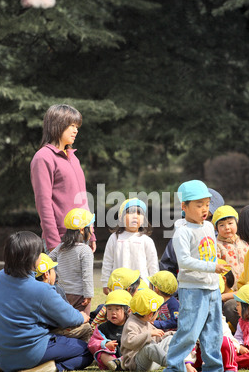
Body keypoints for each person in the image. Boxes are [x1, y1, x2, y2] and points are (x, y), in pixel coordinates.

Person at [160, 180, 238, 372]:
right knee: (188, 330)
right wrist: (212, 267)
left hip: (212, 288)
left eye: (206, 204)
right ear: (184, 207)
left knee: (213, 332)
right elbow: (184, 261)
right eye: (198, 205)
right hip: (192, 289)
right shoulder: (182, 231)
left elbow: (210, 255)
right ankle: (171, 371)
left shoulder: (209, 227)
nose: (204, 209)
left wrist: (216, 272)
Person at [0, 231, 93, 372]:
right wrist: (82, 316)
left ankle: (11, 363)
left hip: (3, 355)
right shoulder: (41, 289)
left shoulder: (0, 277)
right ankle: (47, 368)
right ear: (32, 258)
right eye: (39, 253)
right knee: (87, 351)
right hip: (31, 352)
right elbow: (70, 318)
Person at [30, 103, 96, 253]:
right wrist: (53, 241)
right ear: (57, 125)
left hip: (82, 236)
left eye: (77, 126)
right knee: (61, 278)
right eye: (72, 125)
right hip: (61, 239)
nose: (76, 130)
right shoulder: (43, 157)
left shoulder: (73, 157)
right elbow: (43, 203)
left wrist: (90, 234)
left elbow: (83, 199)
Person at [159, 188, 225, 281]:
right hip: (189, 286)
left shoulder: (218, 235)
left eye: (210, 217)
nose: (204, 215)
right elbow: (167, 266)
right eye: (199, 207)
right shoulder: (183, 233)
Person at [101, 198, 159, 294]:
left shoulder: (146, 240)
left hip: (141, 287)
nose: (135, 216)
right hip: (119, 286)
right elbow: (107, 261)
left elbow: (153, 266)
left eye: (139, 213)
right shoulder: (115, 238)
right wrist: (105, 283)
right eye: (130, 213)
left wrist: (154, 285)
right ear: (121, 217)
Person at [35, 252, 92, 342]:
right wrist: (81, 317)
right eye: (53, 269)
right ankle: (83, 353)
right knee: (87, 327)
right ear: (46, 274)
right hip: (52, 332)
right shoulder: (53, 291)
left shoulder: (30, 289)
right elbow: (66, 317)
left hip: (38, 331)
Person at [49, 208, 95, 317]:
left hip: (61, 293)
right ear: (83, 230)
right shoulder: (85, 250)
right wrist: (88, 295)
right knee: (81, 323)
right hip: (80, 296)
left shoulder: (61, 247)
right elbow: (87, 275)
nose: (92, 231)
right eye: (91, 227)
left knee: (65, 322)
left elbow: (48, 260)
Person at [121, 288, 175, 372]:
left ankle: (170, 360)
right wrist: (149, 334)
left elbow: (159, 337)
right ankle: (172, 363)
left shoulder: (146, 322)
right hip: (137, 363)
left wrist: (174, 334)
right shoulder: (131, 324)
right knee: (149, 347)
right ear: (150, 315)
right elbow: (129, 341)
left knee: (170, 339)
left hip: (152, 362)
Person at [88, 290, 132, 371]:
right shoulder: (103, 328)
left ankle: (125, 364)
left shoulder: (132, 326)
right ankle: (115, 364)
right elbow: (92, 343)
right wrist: (105, 344)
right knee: (102, 354)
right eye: (109, 309)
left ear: (128, 311)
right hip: (112, 356)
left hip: (129, 356)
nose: (113, 313)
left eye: (117, 309)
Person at [212, 205, 248, 291]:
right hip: (228, 291)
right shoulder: (216, 246)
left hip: (247, 289)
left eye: (230, 223)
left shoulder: (244, 241)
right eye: (222, 225)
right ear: (216, 228)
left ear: (237, 223)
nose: (227, 228)